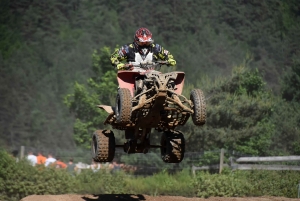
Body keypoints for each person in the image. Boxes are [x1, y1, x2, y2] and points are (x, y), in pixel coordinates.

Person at [110, 27, 176, 70]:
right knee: (123, 86)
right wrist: (120, 65)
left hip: (151, 75)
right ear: (136, 41)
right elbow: (114, 57)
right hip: (131, 76)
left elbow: (168, 56)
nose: (144, 45)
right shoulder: (128, 48)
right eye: (142, 43)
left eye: (147, 42)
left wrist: (169, 60)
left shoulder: (156, 48)